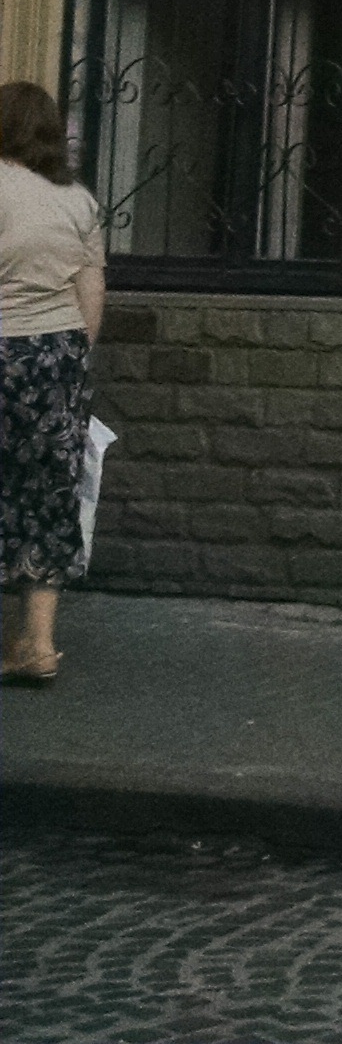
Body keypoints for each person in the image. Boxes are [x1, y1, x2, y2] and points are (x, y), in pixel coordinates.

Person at [0, 79, 106, 685]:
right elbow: (91, 298)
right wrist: (65, 361)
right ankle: (37, 647)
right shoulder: (77, 201)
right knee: (47, 493)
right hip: (56, 357)